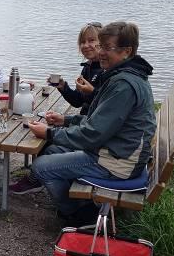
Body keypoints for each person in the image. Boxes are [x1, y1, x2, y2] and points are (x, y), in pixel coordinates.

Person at [9, 22, 156, 226]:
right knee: (52, 152)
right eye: (100, 46)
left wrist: (50, 133)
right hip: (117, 149)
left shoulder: (124, 85)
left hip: (118, 161)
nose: (100, 52)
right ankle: (77, 202)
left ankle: (76, 214)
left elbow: (93, 134)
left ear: (126, 51)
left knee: (41, 166)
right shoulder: (122, 76)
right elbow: (98, 120)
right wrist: (65, 120)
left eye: (106, 47)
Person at [54, 22, 105, 115]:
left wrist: (92, 91)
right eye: (82, 42)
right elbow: (78, 101)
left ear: (103, 43)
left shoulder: (108, 70)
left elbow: (107, 106)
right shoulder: (88, 67)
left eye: (91, 40)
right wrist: (63, 87)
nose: (85, 45)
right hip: (84, 121)